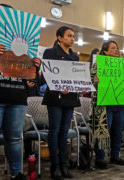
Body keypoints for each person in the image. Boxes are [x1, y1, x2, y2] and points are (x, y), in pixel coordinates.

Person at [0, 4, 40, 180]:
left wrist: (34, 68)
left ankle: (17, 174)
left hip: (17, 97)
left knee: (15, 139)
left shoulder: (25, 41)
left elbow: (28, 74)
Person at [42, 26, 86, 179]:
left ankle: (63, 164)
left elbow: (77, 78)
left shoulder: (75, 56)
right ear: (59, 38)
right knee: (54, 131)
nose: (72, 38)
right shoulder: (50, 53)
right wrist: (59, 86)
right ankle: (55, 166)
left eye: (73, 36)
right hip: (55, 97)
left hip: (70, 98)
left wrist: (83, 85)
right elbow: (47, 76)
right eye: (69, 36)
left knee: (64, 132)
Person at [93, 40, 124, 167]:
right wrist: (96, 80)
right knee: (103, 132)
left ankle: (115, 156)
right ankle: (100, 158)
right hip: (105, 105)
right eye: (113, 48)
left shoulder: (123, 65)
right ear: (105, 51)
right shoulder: (98, 64)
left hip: (119, 104)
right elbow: (92, 83)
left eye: (117, 48)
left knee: (117, 132)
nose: (116, 50)